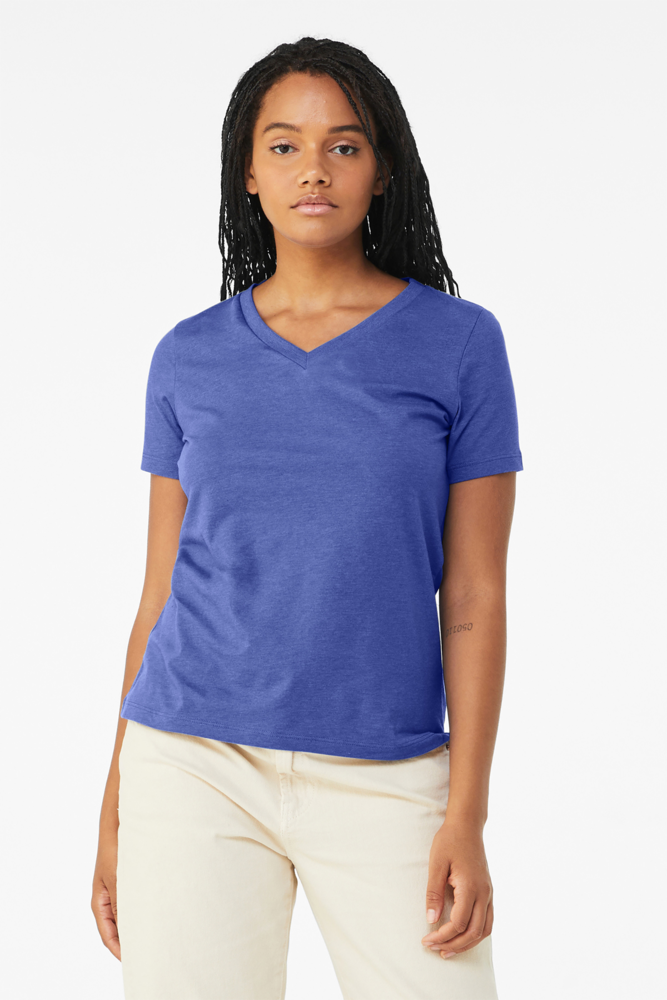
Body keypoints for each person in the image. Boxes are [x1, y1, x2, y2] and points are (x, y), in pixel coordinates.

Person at [91, 36, 523, 1000]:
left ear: (382, 170)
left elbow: (474, 597)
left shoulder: (457, 344)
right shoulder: (188, 355)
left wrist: (466, 814)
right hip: (192, 760)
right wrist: (116, 804)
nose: (313, 170)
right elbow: (159, 594)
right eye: (283, 146)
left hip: (387, 767)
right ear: (248, 172)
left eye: (344, 146)